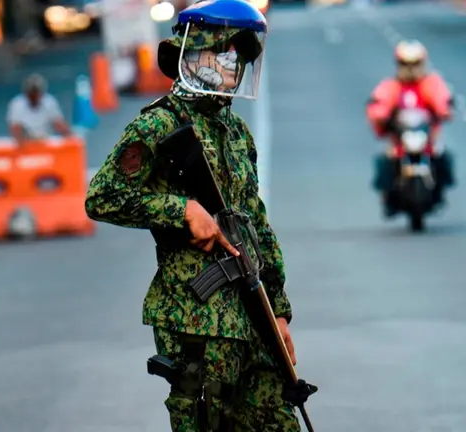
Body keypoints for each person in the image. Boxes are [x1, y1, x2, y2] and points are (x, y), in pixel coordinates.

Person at [84, 0, 303, 430]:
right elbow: (102, 197)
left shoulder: (234, 131)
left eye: (240, 58)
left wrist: (278, 313)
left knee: (280, 421)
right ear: (197, 56)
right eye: (226, 55)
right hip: (197, 321)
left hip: (251, 316)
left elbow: (255, 225)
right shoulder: (158, 126)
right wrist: (180, 209)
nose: (235, 67)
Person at [366, 39, 456, 216]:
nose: (410, 69)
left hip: (426, 138)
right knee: (385, 161)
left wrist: (444, 110)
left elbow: (442, 100)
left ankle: (439, 191)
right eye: (406, 64)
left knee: (442, 156)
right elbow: (379, 104)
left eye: (415, 64)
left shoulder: (430, 83)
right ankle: (388, 198)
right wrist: (380, 116)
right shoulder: (391, 86)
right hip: (400, 139)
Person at [6, 73, 71, 144]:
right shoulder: (17, 104)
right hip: (24, 142)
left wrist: (69, 136)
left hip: (45, 141)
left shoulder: (49, 102)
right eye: (31, 93)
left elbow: (59, 124)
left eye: (36, 93)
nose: (34, 96)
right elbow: (15, 128)